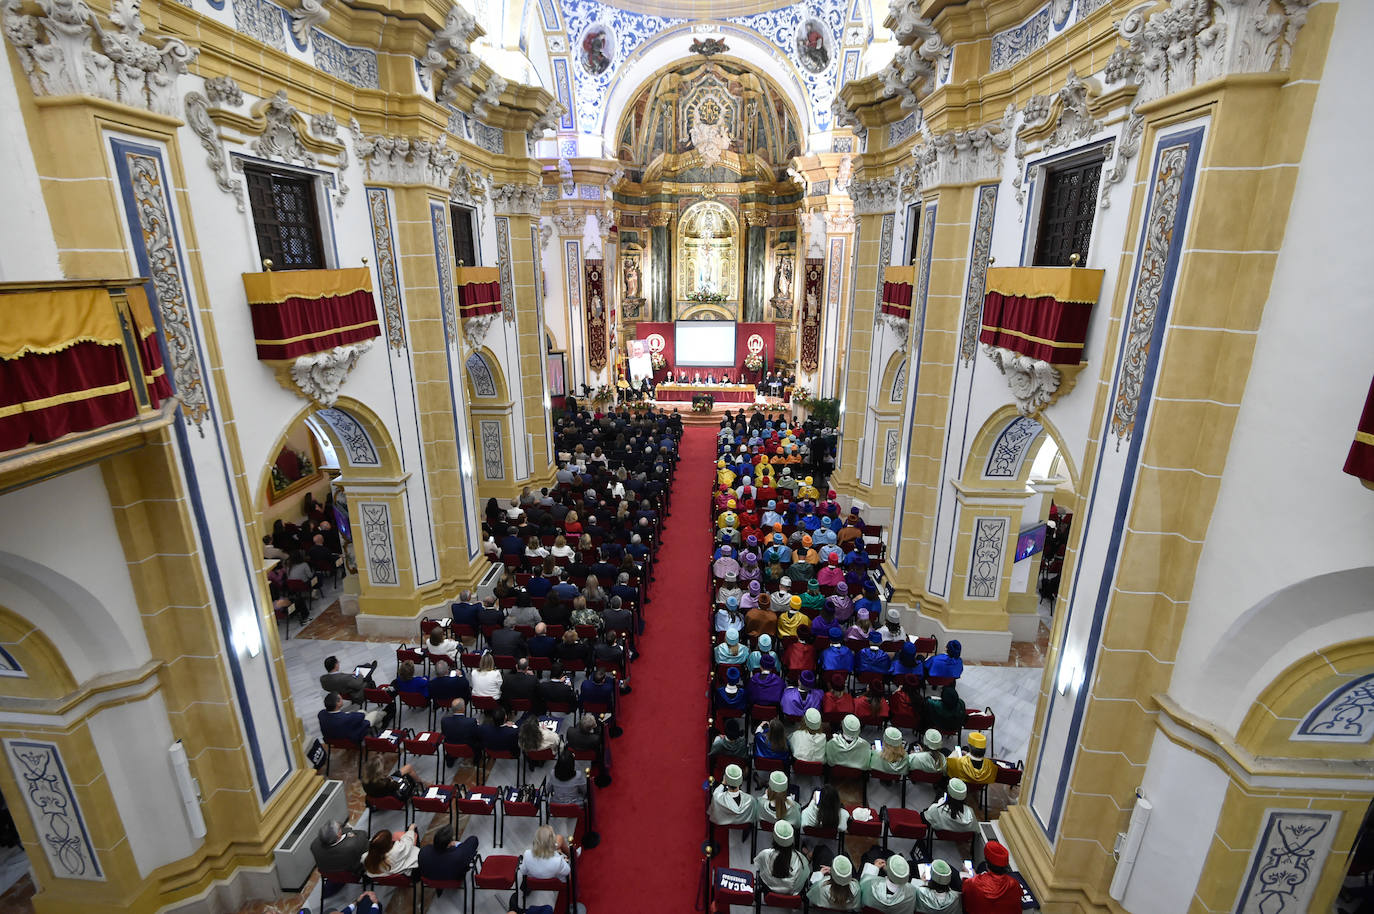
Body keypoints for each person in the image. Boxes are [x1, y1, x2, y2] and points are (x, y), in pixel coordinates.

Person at [753, 819, 811, 896]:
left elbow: (758, 866)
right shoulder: (801, 860)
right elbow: (803, 880)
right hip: (791, 896)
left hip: (769, 891)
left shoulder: (765, 854)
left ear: (774, 838)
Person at [960, 841, 1021, 913]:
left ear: (987, 864)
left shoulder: (972, 883)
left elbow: (965, 894)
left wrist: (970, 877)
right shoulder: (1014, 884)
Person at [417, 824, 479, 888]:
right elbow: (473, 840)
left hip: (429, 882)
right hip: (453, 881)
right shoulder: (458, 855)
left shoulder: (423, 851)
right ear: (449, 844)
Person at [311, 819, 368, 886]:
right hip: (352, 876)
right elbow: (363, 833)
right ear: (338, 835)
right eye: (340, 828)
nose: (342, 827)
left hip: (329, 874)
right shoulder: (353, 844)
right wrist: (350, 832)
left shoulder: (314, 845)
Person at [319, 691, 387, 742]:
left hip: (332, 738)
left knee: (362, 711)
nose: (342, 698)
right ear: (338, 704)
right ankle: (385, 713)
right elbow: (361, 716)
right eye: (340, 698)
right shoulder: (347, 718)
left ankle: (379, 724)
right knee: (374, 713)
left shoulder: (321, 714)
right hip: (352, 736)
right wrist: (349, 714)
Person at [440, 698, 482, 764]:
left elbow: (444, 734)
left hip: (451, 748)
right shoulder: (471, 721)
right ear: (464, 708)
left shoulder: (444, 721)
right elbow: (477, 734)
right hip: (468, 748)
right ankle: (476, 760)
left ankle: (450, 760)